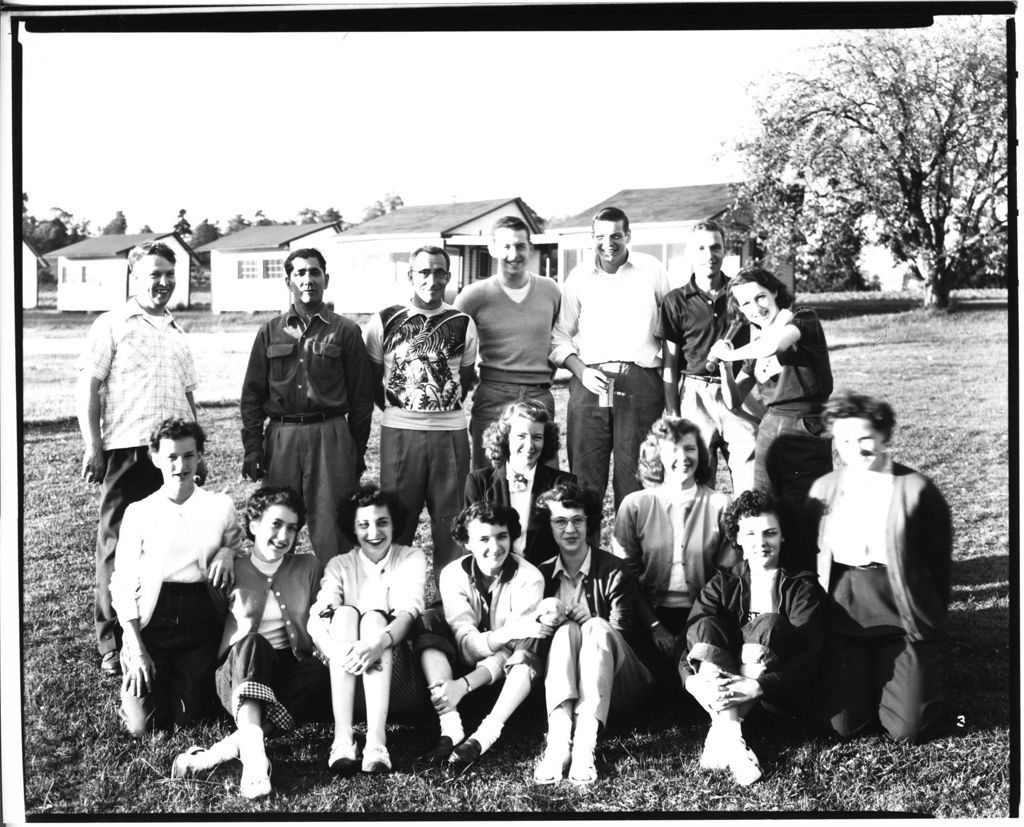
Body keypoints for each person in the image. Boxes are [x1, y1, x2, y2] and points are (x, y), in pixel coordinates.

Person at [77, 239, 203, 677]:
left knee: (169, 542)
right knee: (116, 546)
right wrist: (94, 445)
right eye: (155, 274)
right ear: (134, 276)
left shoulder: (177, 330)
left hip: (173, 457)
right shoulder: (111, 324)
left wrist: (196, 452)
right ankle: (111, 642)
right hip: (127, 450)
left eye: (170, 274)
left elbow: (188, 397)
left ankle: (155, 625)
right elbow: (88, 388)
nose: (164, 282)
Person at [802, 392, 952, 744]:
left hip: (902, 615)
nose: (855, 448)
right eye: (845, 440)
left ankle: (914, 667)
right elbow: (807, 556)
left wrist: (930, 624)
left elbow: (938, 567)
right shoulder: (824, 488)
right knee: (843, 726)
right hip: (843, 612)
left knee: (911, 730)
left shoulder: (916, 489)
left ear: (884, 436)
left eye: (865, 437)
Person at [170, 486, 332, 800]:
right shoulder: (230, 568)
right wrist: (229, 552)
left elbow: (317, 618)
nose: (284, 536)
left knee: (320, 668)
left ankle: (220, 752)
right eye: (276, 524)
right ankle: (256, 760)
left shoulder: (308, 567)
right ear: (254, 525)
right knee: (253, 642)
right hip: (239, 669)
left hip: (288, 671)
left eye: (292, 528)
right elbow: (215, 620)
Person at [680, 489, 826, 786]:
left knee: (768, 623)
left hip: (773, 695)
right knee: (705, 623)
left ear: (782, 536)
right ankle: (732, 735)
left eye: (770, 533)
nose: (760, 543)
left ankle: (721, 732)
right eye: (750, 534)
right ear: (737, 538)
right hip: (724, 691)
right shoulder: (724, 581)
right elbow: (690, 642)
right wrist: (692, 682)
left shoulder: (801, 585)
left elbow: (811, 652)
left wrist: (758, 686)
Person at [240, 247, 374, 564]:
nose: (308, 279)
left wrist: (353, 451)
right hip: (282, 439)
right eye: (300, 273)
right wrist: (253, 446)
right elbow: (252, 394)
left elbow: (361, 400)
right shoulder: (269, 331)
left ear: (325, 279)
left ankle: (337, 605)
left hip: (331, 436)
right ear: (288, 281)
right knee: (276, 524)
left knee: (334, 532)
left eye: (314, 272)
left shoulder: (346, 331)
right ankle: (276, 603)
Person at [109, 418, 240, 737]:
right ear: (155, 458)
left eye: (189, 455)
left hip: (200, 620)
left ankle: (185, 679)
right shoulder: (139, 512)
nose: (181, 465)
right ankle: (140, 671)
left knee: (191, 719)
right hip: (153, 620)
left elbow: (235, 543)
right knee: (144, 727)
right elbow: (122, 583)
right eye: (171, 456)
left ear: (199, 457)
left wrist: (228, 552)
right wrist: (136, 645)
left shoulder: (219, 506)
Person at [363, 246, 477, 579]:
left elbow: (464, 379)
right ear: (410, 275)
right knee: (397, 519)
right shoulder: (385, 319)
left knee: (452, 521)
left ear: (448, 277)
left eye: (439, 272)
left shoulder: (461, 322)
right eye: (424, 272)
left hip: (451, 433)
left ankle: (450, 606)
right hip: (400, 432)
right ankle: (393, 601)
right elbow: (373, 380)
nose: (432, 279)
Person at [531, 482, 654, 785]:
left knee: (596, 627)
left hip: (621, 685)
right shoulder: (540, 575)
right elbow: (530, 644)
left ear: (589, 523)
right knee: (564, 632)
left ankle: (585, 745)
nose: (569, 529)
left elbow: (625, 635)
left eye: (577, 520)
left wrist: (595, 618)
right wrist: (546, 618)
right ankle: (558, 743)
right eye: (560, 521)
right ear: (549, 526)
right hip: (563, 689)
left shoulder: (614, 570)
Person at [412, 502, 551, 768]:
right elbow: (464, 643)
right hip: (456, 678)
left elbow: (511, 649)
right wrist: (508, 632)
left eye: (502, 536)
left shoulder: (530, 578)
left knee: (533, 635)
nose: (495, 547)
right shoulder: (453, 574)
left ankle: (486, 734)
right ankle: (450, 724)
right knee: (428, 618)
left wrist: (463, 685)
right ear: (466, 542)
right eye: (483, 539)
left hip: (510, 684)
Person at [551, 206, 671, 510]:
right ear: (592, 237)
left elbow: (672, 329)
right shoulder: (578, 277)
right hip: (592, 381)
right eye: (601, 236)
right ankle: (585, 554)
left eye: (616, 235)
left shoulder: (651, 269)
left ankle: (630, 555)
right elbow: (559, 337)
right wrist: (580, 371)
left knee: (636, 478)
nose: (609, 243)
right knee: (585, 477)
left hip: (640, 383)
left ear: (628, 235)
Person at [708, 266, 833, 548]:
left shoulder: (802, 319)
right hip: (770, 427)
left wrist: (732, 353)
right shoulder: (756, 343)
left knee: (808, 508)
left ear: (774, 291)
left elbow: (776, 344)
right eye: (746, 303)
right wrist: (726, 366)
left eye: (760, 297)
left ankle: (810, 582)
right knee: (769, 507)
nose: (756, 308)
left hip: (806, 425)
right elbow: (733, 400)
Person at [308, 485, 428, 775]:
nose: (374, 532)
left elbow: (409, 612)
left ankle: (376, 741)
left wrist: (378, 643)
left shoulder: (411, 557)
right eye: (364, 525)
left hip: (396, 682)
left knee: (375, 620)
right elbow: (317, 616)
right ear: (353, 528)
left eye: (382, 522)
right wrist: (335, 651)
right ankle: (343, 739)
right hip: (344, 681)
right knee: (345, 614)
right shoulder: (339, 565)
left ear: (394, 524)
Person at [612, 416, 734, 689]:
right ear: (658, 454)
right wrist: (655, 626)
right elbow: (624, 576)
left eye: (690, 449)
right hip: (648, 615)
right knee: (654, 684)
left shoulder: (721, 504)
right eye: (673, 450)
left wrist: (694, 624)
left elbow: (725, 576)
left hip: (704, 614)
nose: (683, 457)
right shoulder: (635, 505)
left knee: (687, 686)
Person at [661, 220, 764, 494]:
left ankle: (745, 534)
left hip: (736, 391)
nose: (709, 255)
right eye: (702, 248)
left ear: (724, 250)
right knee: (697, 481)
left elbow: (758, 344)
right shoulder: (675, 301)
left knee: (749, 478)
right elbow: (670, 365)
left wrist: (745, 384)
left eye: (716, 247)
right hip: (693, 396)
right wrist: (672, 413)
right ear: (691, 253)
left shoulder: (741, 295)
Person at [454, 216, 562, 470]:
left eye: (520, 246)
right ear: (492, 248)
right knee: (488, 472)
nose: (514, 254)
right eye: (506, 246)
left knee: (544, 475)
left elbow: (560, 339)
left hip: (538, 394)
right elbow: (452, 344)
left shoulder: (551, 290)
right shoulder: (473, 295)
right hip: (494, 393)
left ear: (530, 247)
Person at [464, 400, 575, 566]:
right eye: (521, 436)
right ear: (505, 438)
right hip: (494, 574)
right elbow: (472, 538)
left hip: (545, 575)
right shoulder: (479, 482)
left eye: (537, 437)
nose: (529, 445)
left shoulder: (562, 483)